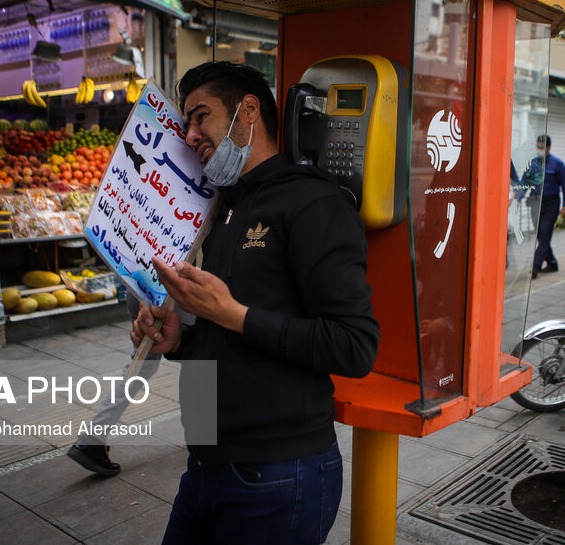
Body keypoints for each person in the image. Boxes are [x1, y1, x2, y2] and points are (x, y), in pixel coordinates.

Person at [130, 62, 379, 544]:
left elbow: (354, 346)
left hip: (277, 476)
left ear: (247, 111)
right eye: (186, 122)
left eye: (201, 117)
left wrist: (234, 315)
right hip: (204, 465)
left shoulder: (313, 203)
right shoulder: (221, 206)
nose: (190, 134)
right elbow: (226, 328)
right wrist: (181, 338)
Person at [66, 294, 192, 477]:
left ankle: (92, 438)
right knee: (198, 357)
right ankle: (204, 440)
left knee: (140, 365)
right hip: (176, 291)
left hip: (140, 289)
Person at [517, 134, 565, 279]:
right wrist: (517, 198)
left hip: (551, 203)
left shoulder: (557, 164)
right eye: (538, 146)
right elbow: (524, 182)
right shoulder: (533, 163)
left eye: (542, 147)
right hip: (535, 203)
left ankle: (535, 266)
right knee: (541, 236)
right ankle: (552, 263)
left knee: (545, 233)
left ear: (548, 148)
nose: (539, 149)